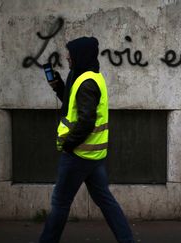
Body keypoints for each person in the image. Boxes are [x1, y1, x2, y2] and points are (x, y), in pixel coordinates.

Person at [39, 36, 135, 243]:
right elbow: (74, 106)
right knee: (106, 201)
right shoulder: (87, 77)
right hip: (92, 155)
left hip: (78, 154)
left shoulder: (87, 82)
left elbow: (86, 121)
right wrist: (58, 87)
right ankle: (127, 240)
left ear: (79, 55)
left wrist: (68, 145)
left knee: (61, 202)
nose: (67, 57)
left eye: (70, 54)